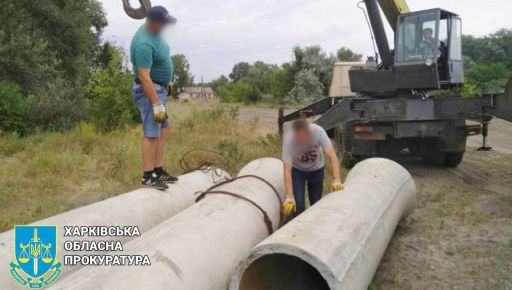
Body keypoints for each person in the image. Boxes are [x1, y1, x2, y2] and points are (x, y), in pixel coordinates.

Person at [130, 6, 178, 190]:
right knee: (152, 133)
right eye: (163, 23)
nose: (165, 26)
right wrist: (156, 103)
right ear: (153, 22)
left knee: (164, 130)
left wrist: (168, 83)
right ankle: (147, 176)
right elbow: (143, 77)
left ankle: (157, 171)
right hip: (150, 92)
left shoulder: (154, 32)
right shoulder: (143, 43)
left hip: (160, 90)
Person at [281, 120, 344, 216]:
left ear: (308, 133)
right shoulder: (289, 140)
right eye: (297, 138)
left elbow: (332, 156)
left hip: (316, 170)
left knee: (316, 201)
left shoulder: (318, 132)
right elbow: (287, 170)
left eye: (301, 138)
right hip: (297, 171)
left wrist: (336, 179)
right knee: (298, 203)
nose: (299, 141)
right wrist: (289, 197)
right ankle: (299, 226)